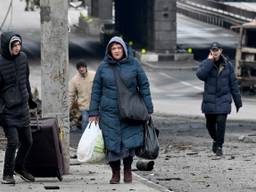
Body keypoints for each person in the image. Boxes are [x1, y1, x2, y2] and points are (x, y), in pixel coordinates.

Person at [89, 36, 153, 184]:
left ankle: (128, 170)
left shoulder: (134, 64)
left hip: (130, 110)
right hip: (109, 111)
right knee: (112, 144)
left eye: (119, 48)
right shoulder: (103, 67)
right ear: (109, 51)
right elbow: (96, 90)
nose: (117, 51)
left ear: (124, 49)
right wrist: (93, 112)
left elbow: (144, 86)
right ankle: (115, 173)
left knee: (129, 143)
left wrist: (149, 108)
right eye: (114, 48)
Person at [0, 32, 37, 184]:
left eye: (19, 45)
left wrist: (30, 99)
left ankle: (19, 167)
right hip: (7, 111)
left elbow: (25, 80)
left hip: (22, 108)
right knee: (13, 142)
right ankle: (7, 175)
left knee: (28, 141)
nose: (17, 48)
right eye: (14, 46)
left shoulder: (23, 58)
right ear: (6, 46)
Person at [196, 42, 242, 156]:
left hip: (223, 99)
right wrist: (209, 61)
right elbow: (200, 75)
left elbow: (234, 84)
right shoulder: (206, 63)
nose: (215, 52)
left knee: (221, 122)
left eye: (217, 50)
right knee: (210, 125)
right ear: (211, 51)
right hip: (209, 100)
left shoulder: (228, 65)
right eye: (213, 50)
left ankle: (220, 146)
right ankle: (216, 140)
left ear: (221, 51)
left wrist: (238, 101)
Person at [69, 60, 95, 131]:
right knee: (85, 122)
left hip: (96, 105)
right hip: (84, 106)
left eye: (83, 67)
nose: (81, 69)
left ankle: (97, 140)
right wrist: (68, 109)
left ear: (86, 67)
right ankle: (85, 140)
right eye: (79, 68)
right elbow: (71, 95)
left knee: (97, 124)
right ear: (77, 69)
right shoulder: (74, 80)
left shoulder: (94, 75)